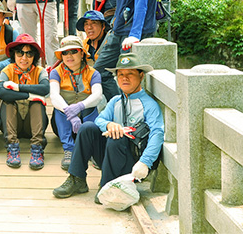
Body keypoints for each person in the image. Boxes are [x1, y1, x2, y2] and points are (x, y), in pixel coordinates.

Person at [52, 53, 164, 202]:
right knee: (87, 128)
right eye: (121, 74)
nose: (125, 78)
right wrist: (110, 124)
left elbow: (158, 133)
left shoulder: (149, 105)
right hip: (111, 155)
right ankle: (77, 178)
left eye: (130, 74)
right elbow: (100, 120)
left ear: (141, 76)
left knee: (116, 137)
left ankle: (107, 185)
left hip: (134, 163)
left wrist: (145, 162)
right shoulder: (116, 100)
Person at [49, 36, 103, 171]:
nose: (69, 56)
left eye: (73, 51)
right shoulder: (56, 72)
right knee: (59, 109)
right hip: (65, 124)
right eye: (65, 53)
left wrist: (80, 106)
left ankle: (92, 149)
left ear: (82, 53)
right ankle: (69, 150)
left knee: (91, 107)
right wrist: (70, 113)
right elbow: (54, 96)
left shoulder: (93, 73)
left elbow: (97, 95)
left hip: (86, 121)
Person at [0, 34, 49, 169]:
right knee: (8, 102)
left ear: (34, 57)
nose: (24, 58)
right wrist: (29, 96)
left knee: (37, 103)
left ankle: (37, 147)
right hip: (13, 123)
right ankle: (12, 146)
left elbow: (45, 88)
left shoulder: (39, 71)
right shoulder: (7, 70)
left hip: (33, 125)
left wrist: (17, 87)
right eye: (20, 53)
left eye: (29, 54)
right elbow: (1, 92)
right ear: (14, 55)